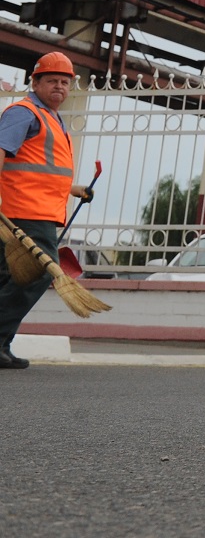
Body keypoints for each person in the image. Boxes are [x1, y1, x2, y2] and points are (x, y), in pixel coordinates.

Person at [0, 52, 94, 370]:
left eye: (65, 82)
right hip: (26, 212)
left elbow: (38, 168)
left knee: (8, 279)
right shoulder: (23, 113)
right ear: (35, 82)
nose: (59, 87)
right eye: (51, 80)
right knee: (39, 275)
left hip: (37, 210)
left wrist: (75, 189)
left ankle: (1, 345)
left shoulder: (50, 117)